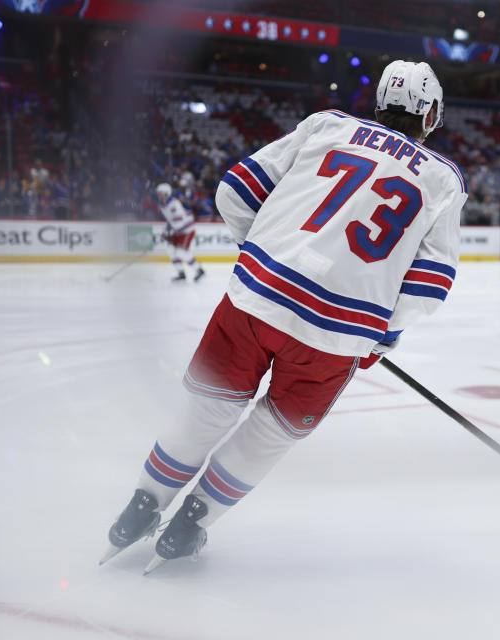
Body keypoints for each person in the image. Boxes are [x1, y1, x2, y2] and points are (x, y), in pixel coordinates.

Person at [102, 60, 467, 573]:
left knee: (208, 407)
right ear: (430, 113)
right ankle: (190, 524)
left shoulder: (327, 125)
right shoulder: (443, 177)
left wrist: (269, 257)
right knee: (272, 431)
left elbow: (234, 191)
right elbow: (430, 285)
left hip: (253, 301)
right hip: (334, 337)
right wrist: (379, 334)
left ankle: (141, 505)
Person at [156, 182, 205, 282]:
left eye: (160, 193)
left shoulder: (174, 205)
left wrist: (167, 233)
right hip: (178, 230)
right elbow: (171, 221)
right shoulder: (163, 205)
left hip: (186, 229)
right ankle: (181, 273)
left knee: (181, 252)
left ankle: (199, 270)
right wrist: (165, 231)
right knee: (170, 249)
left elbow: (178, 223)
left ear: (166, 193)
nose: (159, 196)